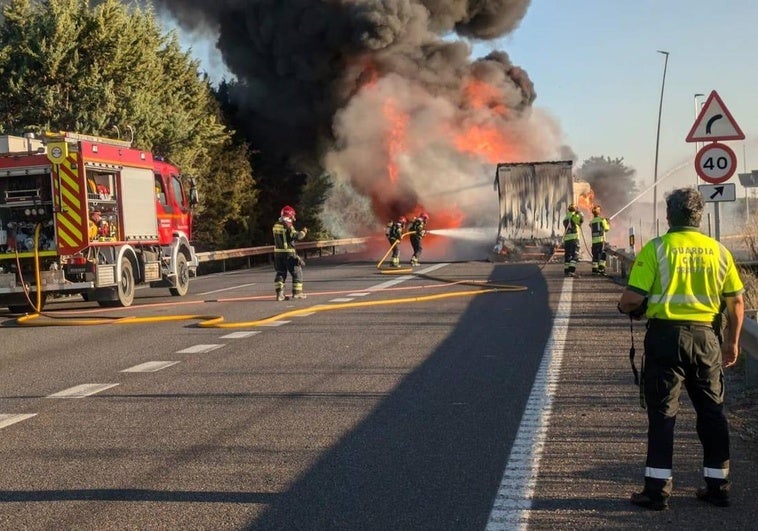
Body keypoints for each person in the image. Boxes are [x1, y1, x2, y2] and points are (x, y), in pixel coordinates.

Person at [617, 187, 744, 511]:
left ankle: (657, 492)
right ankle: (719, 487)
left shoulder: (657, 249)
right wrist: (732, 342)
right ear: (699, 216)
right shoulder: (719, 252)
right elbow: (736, 302)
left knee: (663, 416)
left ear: (669, 215)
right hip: (706, 341)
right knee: (712, 414)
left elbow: (631, 299)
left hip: (665, 340)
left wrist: (632, 309)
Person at [273, 205, 308, 301]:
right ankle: (297, 293)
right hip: (288, 253)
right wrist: (303, 232)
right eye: (293, 216)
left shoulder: (276, 224)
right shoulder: (288, 225)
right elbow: (296, 236)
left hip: (278, 254)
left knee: (280, 273)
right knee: (297, 272)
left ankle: (280, 295)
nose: (294, 218)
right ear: (289, 215)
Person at [562, 203, 583, 277]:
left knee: (567, 255)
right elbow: (580, 221)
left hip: (567, 239)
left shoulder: (566, 217)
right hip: (574, 238)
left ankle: (566, 271)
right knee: (575, 255)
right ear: (575, 209)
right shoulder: (574, 216)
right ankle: (572, 271)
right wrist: (580, 214)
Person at [589, 205, 611, 276]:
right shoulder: (602, 220)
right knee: (603, 255)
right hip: (601, 241)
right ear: (599, 212)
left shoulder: (592, 222)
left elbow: (590, 225)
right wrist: (608, 222)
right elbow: (607, 229)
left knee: (595, 256)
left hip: (594, 242)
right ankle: (601, 270)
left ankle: (594, 271)